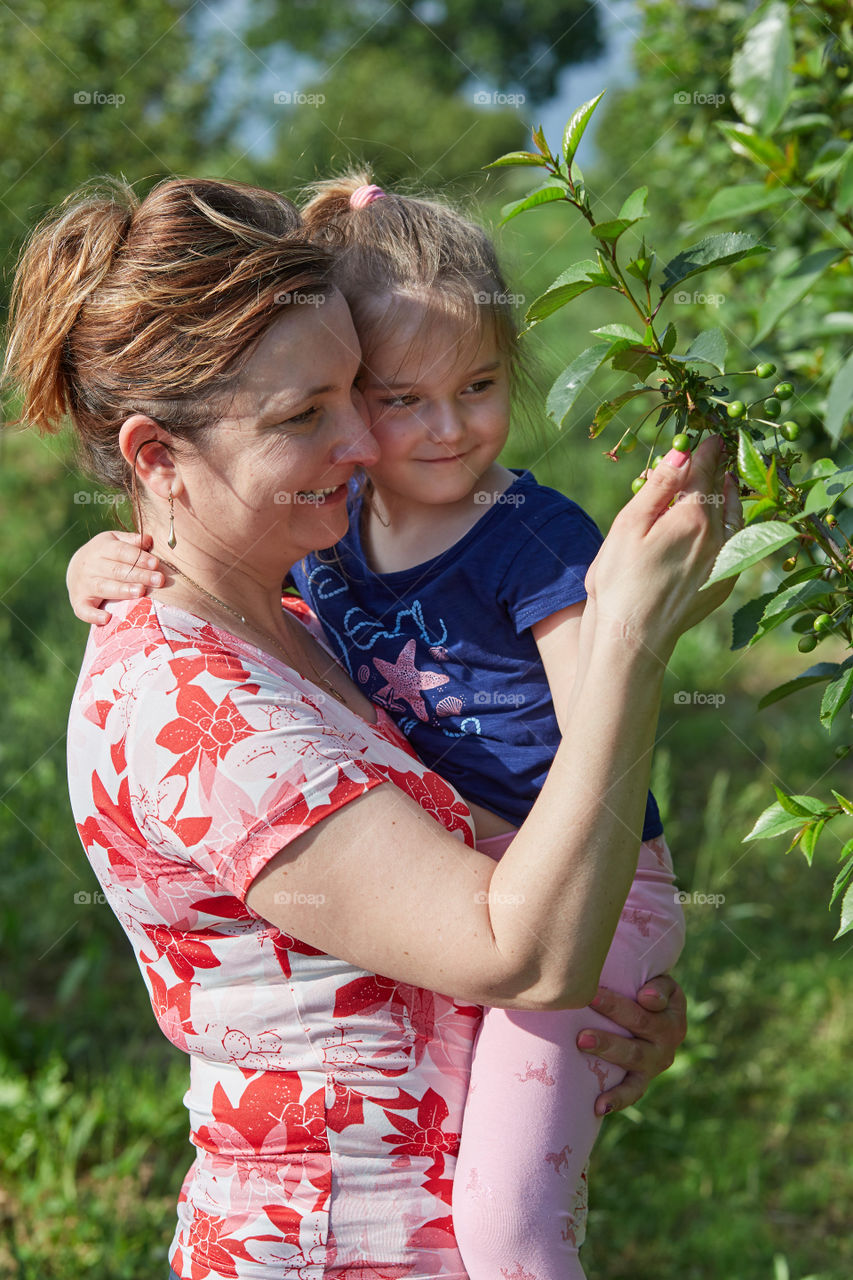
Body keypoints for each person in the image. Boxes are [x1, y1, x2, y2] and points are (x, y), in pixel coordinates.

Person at [10, 174, 738, 1280]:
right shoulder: (189, 705)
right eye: (305, 414)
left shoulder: (304, 618)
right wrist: (632, 638)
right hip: (331, 1247)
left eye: (357, 391)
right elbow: (516, 949)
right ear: (157, 458)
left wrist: (608, 1013)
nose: (363, 440)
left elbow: (504, 923)